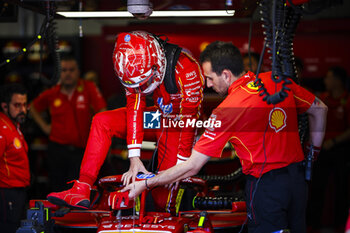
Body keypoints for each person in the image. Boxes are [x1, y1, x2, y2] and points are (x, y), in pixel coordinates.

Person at [123, 41, 328, 233]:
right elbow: (320, 110)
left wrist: (148, 183)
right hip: (298, 182)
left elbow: (192, 166)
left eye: (210, 78)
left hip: (265, 188)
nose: (208, 85)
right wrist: (313, 153)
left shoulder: (227, 109)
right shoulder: (277, 82)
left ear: (227, 75)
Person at [46, 31, 204, 214]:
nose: (140, 89)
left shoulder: (186, 68)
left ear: (157, 64)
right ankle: (82, 189)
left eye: (144, 83)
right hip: (158, 118)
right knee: (101, 120)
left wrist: (181, 166)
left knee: (163, 198)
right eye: (134, 85)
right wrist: (134, 157)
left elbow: (189, 121)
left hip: (178, 125)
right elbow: (135, 108)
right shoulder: (129, 66)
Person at [30, 55, 107, 192]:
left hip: (82, 150)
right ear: (59, 73)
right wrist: (45, 127)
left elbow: (103, 111)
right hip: (57, 149)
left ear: (78, 71)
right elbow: (33, 108)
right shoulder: (52, 93)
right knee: (57, 187)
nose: (68, 74)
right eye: (64, 70)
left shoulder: (88, 88)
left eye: (71, 70)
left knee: (79, 189)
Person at [308, 66, 350, 232]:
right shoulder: (322, 98)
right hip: (322, 150)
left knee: (342, 189)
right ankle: (313, 226)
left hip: (341, 151)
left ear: (338, 80)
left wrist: (333, 141)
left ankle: (341, 226)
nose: (325, 80)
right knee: (316, 188)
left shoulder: (348, 100)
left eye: (328, 77)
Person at [0, 84, 30, 233]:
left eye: (24, 105)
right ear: (5, 106)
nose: (23, 110)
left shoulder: (14, 125)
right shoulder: (2, 128)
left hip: (18, 191)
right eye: (17, 105)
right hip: (7, 192)